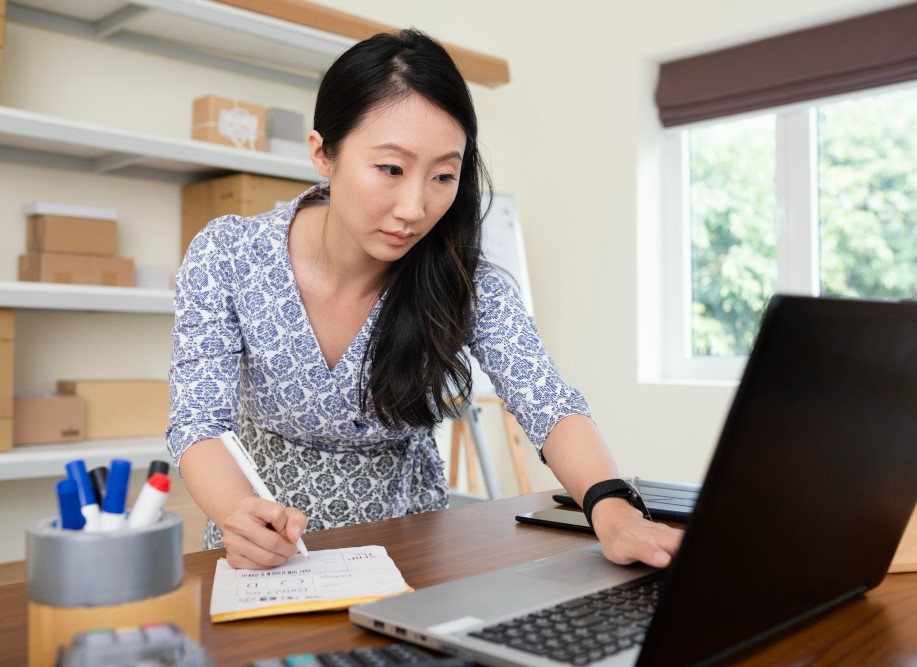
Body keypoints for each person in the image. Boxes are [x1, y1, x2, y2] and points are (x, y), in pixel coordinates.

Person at [167, 29, 682, 570]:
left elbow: (548, 403)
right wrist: (239, 513)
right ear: (324, 153)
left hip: (410, 545)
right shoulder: (228, 255)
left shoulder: (463, 279)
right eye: (390, 169)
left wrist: (613, 508)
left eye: (443, 176)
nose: (414, 207)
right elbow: (198, 423)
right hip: (264, 545)